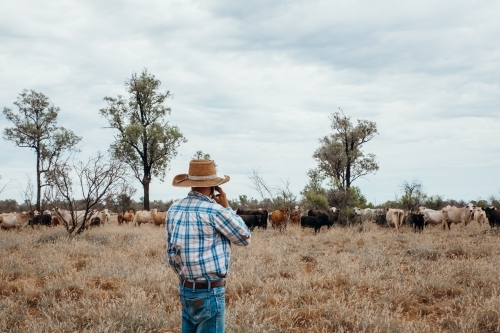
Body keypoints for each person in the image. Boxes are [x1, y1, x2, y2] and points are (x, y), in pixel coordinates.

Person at [166, 159, 251, 333]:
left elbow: (171, 253)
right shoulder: (215, 210)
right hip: (210, 291)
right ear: (214, 186)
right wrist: (226, 206)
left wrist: (186, 277)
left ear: (190, 184)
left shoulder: (173, 209)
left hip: (185, 288)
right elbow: (244, 237)